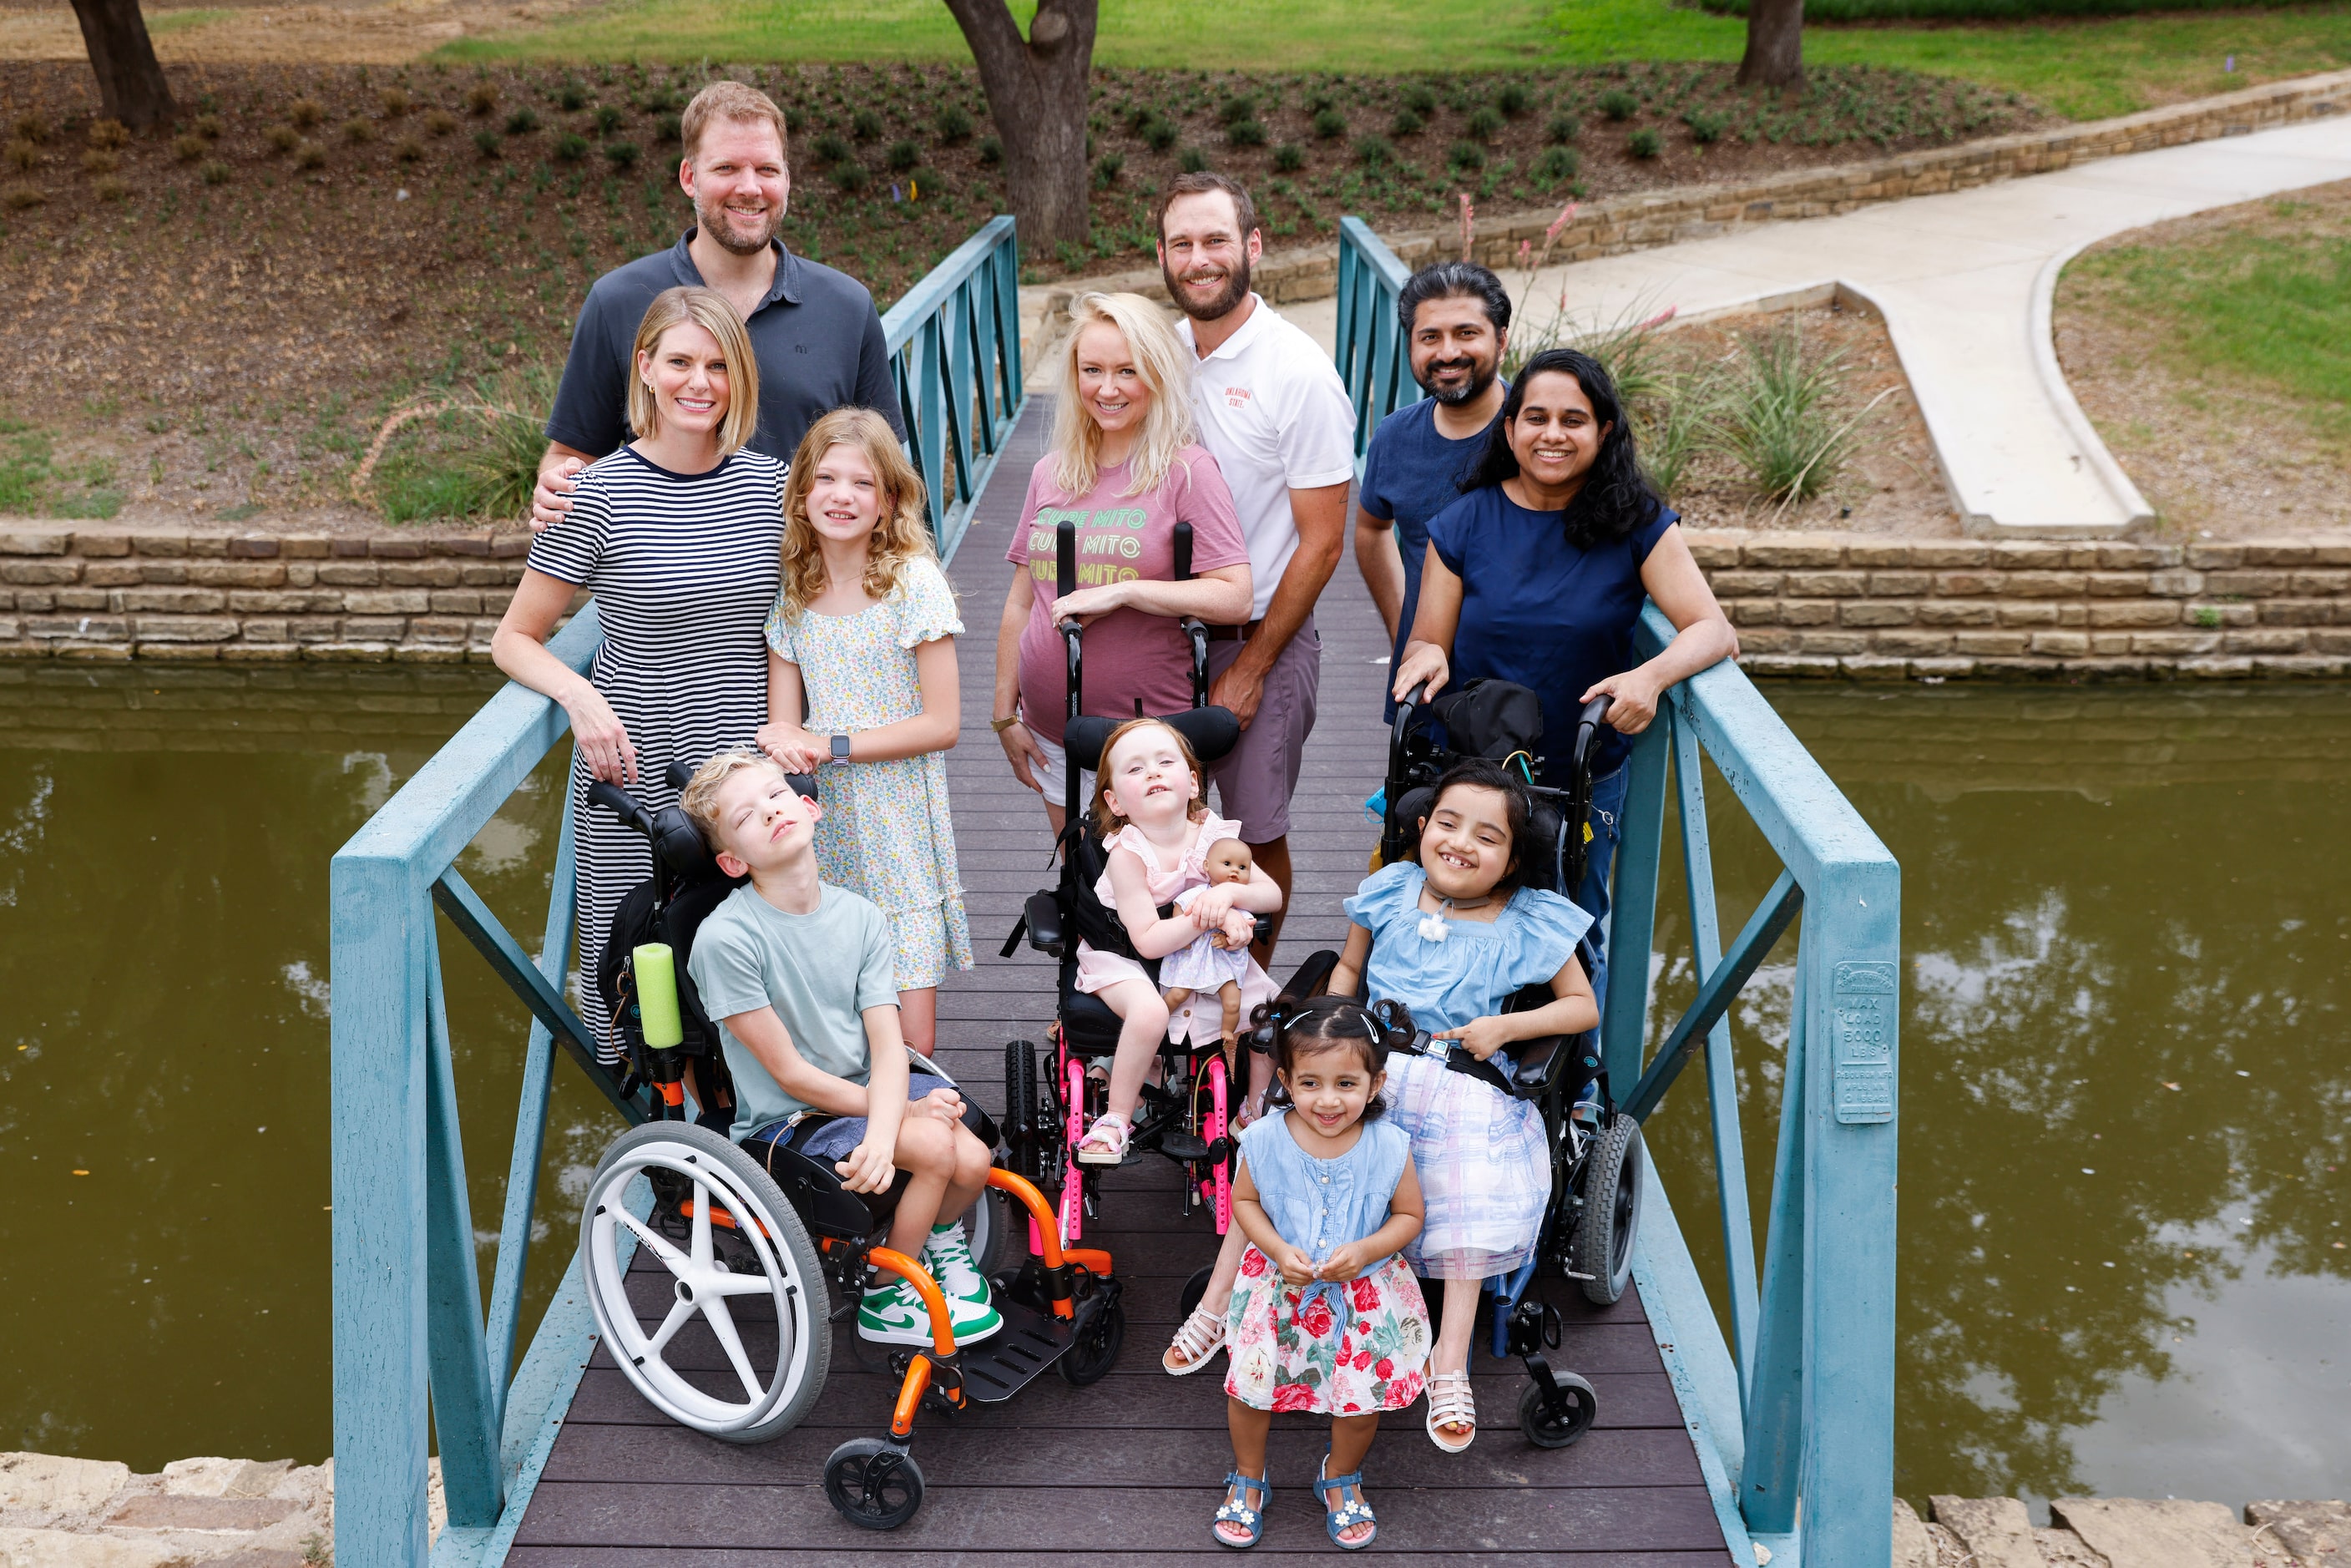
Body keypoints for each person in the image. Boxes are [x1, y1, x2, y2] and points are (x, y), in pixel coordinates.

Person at [492, 286, 782, 1072]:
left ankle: (757, 1150)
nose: (701, 382)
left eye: (719, 365)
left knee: (756, 973)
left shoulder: (774, 488)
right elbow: (514, 639)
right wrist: (581, 695)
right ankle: (663, 1152)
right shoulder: (601, 491)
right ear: (645, 368)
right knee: (641, 975)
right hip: (636, 769)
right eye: (681, 361)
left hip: (743, 776)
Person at [1391, 346, 1737, 1004]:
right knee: (1450, 924)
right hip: (1473, 773)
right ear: (1511, 426)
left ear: (1603, 431)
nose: (1553, 435)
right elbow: (1426, 642)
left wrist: (1649, 677)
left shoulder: (1635, 524)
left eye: (1573, 420)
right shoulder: (1464, 521)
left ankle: (1571, 1098)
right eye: (1536, 417)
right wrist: (1428, 653)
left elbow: (1714, 629)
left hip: (1581, 771)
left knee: (1570, 943)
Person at [680, 748, 1003, 1346]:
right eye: (748, 816)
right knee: (934, 1145)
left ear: (809, 806)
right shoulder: (726, 939)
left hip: (867, 1084)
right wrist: (899, 1119)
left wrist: (890, 1121)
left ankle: (939, 1242)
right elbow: (792, 1076)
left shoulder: (860, 916)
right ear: (732, 860)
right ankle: (885, 1296)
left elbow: (888, 1042)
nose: (771, 812)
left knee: (976, 1156)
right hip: (790, 1117)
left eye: (776, 796)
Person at [1331, 760, 1597, 1451]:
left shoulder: (1526, 920)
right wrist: (1330, 1024)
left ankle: (1449, 1358)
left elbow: (1580, 1006)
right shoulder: (1392, 890)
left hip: (1463, 1072)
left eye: (1487, 837)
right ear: (1421, 827)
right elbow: (1349, 972)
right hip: (1373, 1062)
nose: (1460, 843)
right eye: (1446, 824)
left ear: (1513, 859)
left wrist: (1506, 1027)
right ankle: (1258, 1300)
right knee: (1298, 1136)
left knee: (1460, 1172)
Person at [532, 80, 902, 530]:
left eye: (767, 169)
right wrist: (555, 487)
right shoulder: (618, 301)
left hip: (815, 591)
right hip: (678, 592)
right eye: (726, 167)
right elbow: (573, 455)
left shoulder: (847, 306)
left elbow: (888, 473)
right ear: (690, 177)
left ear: (787, 178)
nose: (750, 188)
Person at [1156, 173, 1356, 961]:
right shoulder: (1162, 354)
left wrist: (1256, 667)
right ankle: (1164, 989)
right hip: (1161, 635)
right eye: (1182, 244)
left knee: (1251, 834)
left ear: (1253, 247)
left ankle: (1241, 1008)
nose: (1199, 259)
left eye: (1216, 241)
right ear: (1163, 256)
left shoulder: (1296, 372)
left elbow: (1325, 541)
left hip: (1256, 639)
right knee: (1156, 824)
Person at [993, 291, 1251, 835]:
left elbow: (1234, 594)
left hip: (1148, 741)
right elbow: (1024, 600)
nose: (1107, 389)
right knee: (1081, 884)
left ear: (1155, 375)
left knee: (1152, 893)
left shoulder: (1187, 472)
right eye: (1092, 370)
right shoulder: (1051, 472)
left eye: (1126, 371)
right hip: (1050, 724)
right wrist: (1004, 715)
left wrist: (1128, 591)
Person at [754, 407, 970, 1060]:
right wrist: (780, 738)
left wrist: (831, 744)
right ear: (801, 493)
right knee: (835, 1016)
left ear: (889, 502)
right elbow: (784, 717)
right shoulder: (795, 590)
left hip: (897, 816)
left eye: (863, 483)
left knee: (910, 1035)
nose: (842, 496)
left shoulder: (914, 584)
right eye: (825, 478)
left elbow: (944, 723)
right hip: (826, 821)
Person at [1211, 998, 1430, 1551]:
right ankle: (1248, 1473)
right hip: (1278, 1287)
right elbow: (1245, 1203)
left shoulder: (1389, 1146)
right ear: (1284, 1079)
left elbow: (1409, 1216)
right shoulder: (1263, 1139)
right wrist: (1277, 1248)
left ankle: (1341, 1475)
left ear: (1375, 1082)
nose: (1327, 1101)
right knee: (1251, 1390)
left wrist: (1369, 1248)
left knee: (1361, 1396)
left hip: (1364, 1293)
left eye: (1346, 1084)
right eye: (1309, 1083)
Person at [1069, 718, 1283, 1168]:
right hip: (1125, 957)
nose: (1152, 773)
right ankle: (1116, 1118)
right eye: (1135, 769)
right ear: (1115, 801)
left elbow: (1271, 895)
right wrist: (1204, 913)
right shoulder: (1127, 856)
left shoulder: (1214, 837)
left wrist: (1227, 894)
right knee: (1148, 1011)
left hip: (1196, 958)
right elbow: (1147, 941)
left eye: (1165, 762)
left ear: (1191, 783)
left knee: (1270, 1012)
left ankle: (1256, 1108)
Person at [1355, 262, 1512, 717]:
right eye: (1430, 337)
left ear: (1501, 341)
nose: (1448, 353)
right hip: (1426, 694)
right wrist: (1404, 628)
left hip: (1522, 691)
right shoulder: (1395, 436)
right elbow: (1371, 530)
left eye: (1467, 334)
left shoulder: (1541, 433)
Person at [1160, 837, 1254, 1051]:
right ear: (1207, 866)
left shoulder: (1240, 903)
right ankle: (1158, 1018)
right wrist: (1181, 936)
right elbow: (1180, 908)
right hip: (1194, 955)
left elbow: (1245, 930)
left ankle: (1227, 1030)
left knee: (1232, 1002)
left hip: (1222, 960)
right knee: (1178, 994)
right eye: (1227, 864)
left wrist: (1229, 940)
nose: (1234, 872)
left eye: (1242, 867)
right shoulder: (1197, 893)